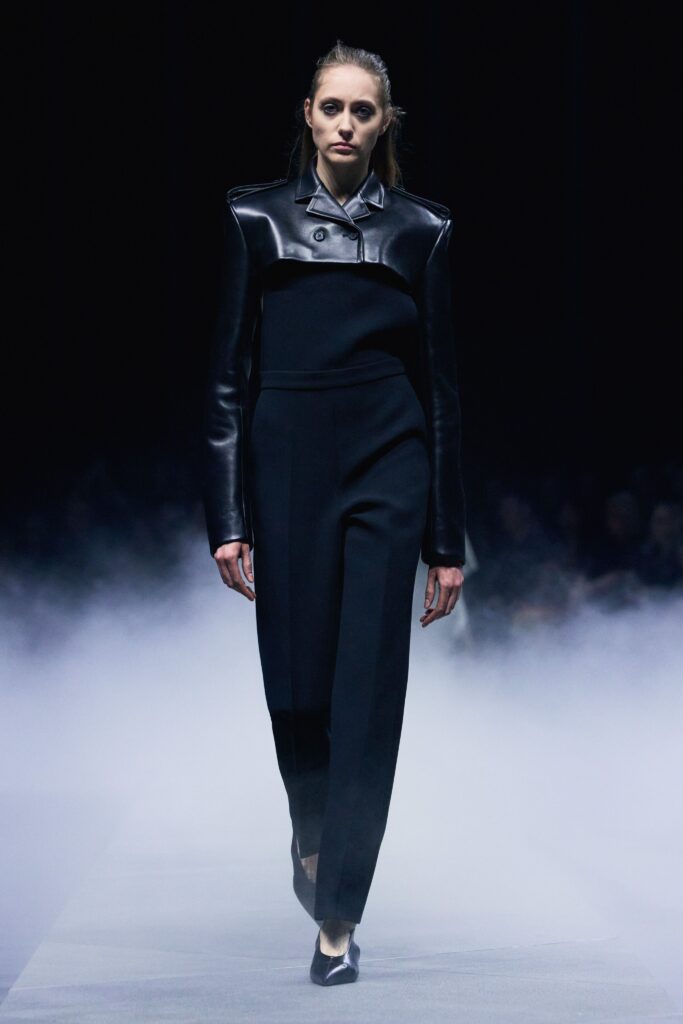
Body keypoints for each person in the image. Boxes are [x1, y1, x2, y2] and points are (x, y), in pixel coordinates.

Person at [201, 40, 466, 986]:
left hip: (389, 464)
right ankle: (314, 836)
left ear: (383, 123)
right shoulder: (254, 219)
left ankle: (338, 920)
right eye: (331, 107)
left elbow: (440, 391)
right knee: (297, 689)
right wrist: (227, 516)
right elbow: (227, 377)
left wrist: (446, 539)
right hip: (287, 469)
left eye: (362, 110)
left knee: (367, 695)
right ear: (307, 116)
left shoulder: (421, 230)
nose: (345, 124)